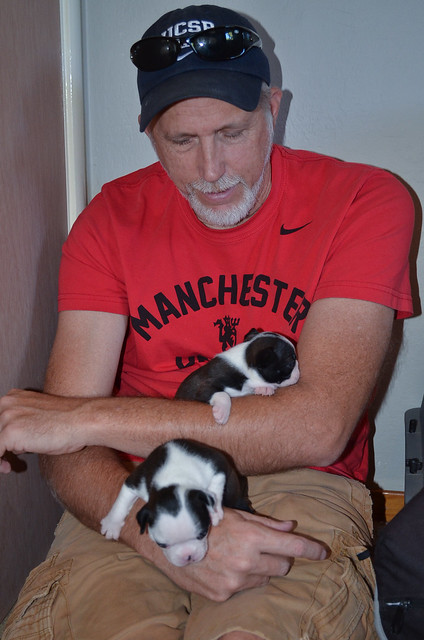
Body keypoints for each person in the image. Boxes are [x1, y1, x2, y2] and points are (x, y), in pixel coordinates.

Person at [0, 5, 415, 639]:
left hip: (297, 485)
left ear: (272, 108)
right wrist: (156, 536)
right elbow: (71, 456)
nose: (211, 171)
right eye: (182, 141)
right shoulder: (108, 220)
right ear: (148, 133)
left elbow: (318, 427)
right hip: (139, 485)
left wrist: (83, 416)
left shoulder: (366, 200)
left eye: (232, 132)